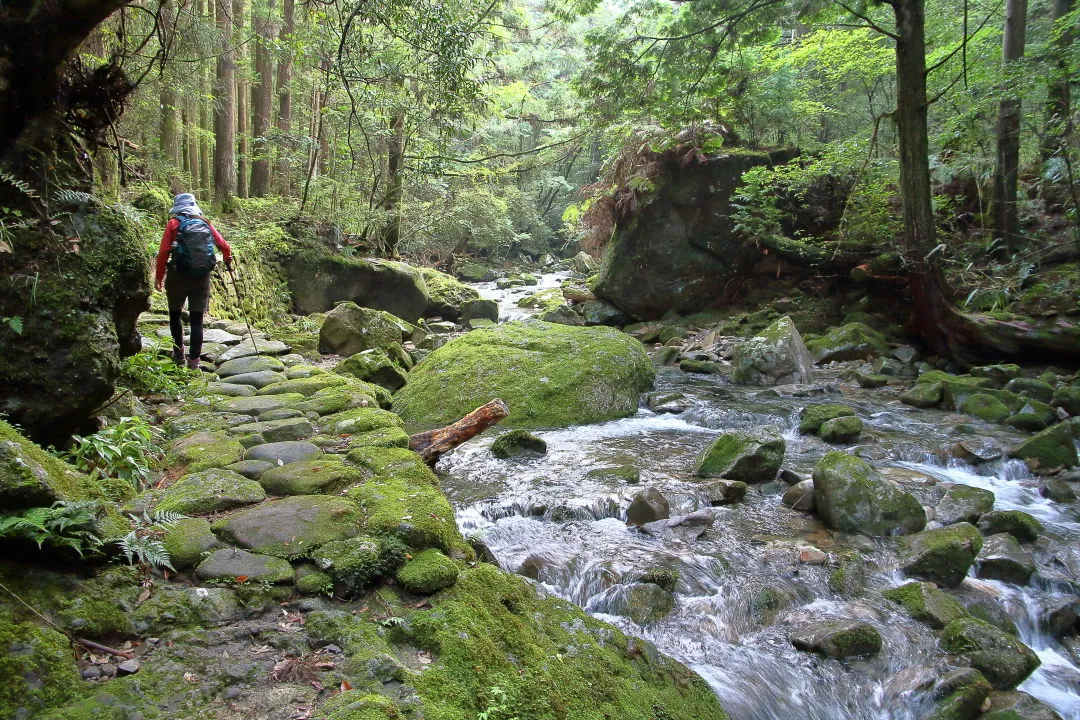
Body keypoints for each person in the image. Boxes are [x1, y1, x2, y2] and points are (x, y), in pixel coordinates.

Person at [154, 193, 233, 369]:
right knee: (197, 320)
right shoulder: (205, 222)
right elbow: (225, 246)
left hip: (177, 276)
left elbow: (163, 252)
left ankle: (179, 355)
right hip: (201, 278)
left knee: (175, 315)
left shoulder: (174, 223)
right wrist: (228, 260)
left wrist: (159, 277)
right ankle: (194, 362)